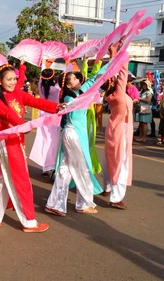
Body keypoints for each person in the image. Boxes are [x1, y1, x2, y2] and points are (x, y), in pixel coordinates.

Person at [0, 63, 65, 233]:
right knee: (21, 180)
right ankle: (29, 221)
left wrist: (56, 107)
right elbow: (9, 115)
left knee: (3, 180)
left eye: (14, 79)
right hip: (8, 143)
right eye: (8, 79)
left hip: (18, 141)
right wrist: (24, 125)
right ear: (0, 81)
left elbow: (35, 101)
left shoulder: (18, 93)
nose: (12, 82)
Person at [44, 70, 103, 216]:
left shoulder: (74, 95)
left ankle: (55, 204)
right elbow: (92, 84)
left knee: (65, 170)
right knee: (81, 168)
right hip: (74, 135)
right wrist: (99, 76)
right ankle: (83, 203)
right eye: (75, 79)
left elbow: (92, 83)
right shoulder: (71, 98)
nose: (79, 80)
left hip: (71, 134)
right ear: (69, 84)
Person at [101, 49, 132, 210]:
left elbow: (112, 74)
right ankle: (116, 196)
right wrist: (123, 52)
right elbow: (121, 72)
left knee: (109, 159)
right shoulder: (119, 95)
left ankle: (106, 187)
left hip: (113, 128)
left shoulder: (109, 95)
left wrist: (113, 54)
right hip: (121, 130)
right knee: (122, 164)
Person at [29, 68, 61, 175]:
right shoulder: (56, 88)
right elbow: (61, 80)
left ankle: (45, 166)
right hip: (53, 115)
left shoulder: (40, 87)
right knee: (52, 141)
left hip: (43, 114)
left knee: (43, 139)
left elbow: (41, 80)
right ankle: (49, 166)